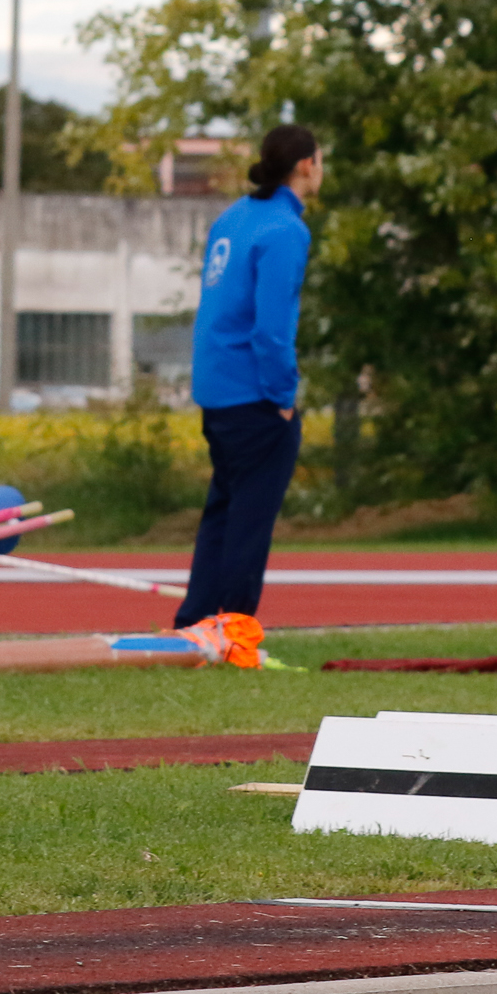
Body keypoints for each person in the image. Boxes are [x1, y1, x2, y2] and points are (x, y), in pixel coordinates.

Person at [176, 124, 322, 629]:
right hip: (254, 394)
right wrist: (283, 396)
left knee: (222, 512)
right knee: (250, 521)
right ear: (306, 165)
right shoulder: (285, 230)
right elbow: (271, 327)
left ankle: (195, 623)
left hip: (216, 389)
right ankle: (236, 631)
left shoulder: (234, 217)